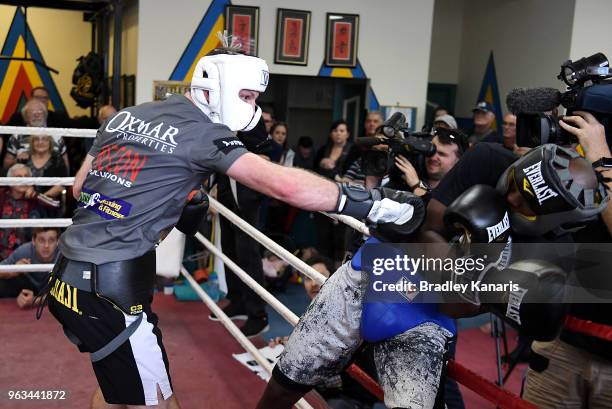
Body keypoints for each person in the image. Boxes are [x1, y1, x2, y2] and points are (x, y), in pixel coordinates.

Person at [41, 43, 419, 409]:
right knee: (157, 400)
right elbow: (281, 183)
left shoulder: (125, 115)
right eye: (248, 96)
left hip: (66, 278)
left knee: (118, 391)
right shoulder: (203, 134)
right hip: (108, 289)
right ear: (216, 86)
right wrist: (373, 204)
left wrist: (168, 198)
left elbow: (79, 187)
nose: (252, 108)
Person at [268, 255, 381, 409]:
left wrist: (298, 356)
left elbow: (332, 371)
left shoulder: (349, 314)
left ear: (334, 278)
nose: (313, 283)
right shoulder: (316, 311)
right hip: (331, 387)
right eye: (308, 278)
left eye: (319, 276)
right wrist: (289, 345)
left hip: (350, 394)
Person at [393, 127, 467, 196]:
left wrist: (417, 186)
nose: (433, 157)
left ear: (458, 161)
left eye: (441, 154)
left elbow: (434, 208)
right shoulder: (411, 167)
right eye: (431, 150)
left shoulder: (460, 192)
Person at [0, 227, 60, 308]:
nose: (46, 246)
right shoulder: (24, 251)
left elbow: (71, 290)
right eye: (41, 240)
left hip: (53, 290)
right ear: (33, 241)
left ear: (57, 242)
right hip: (29, 287)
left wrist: (35, 301)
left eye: (51, 240)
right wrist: (13, 271)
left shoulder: (64, 255)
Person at [3, 99, 70, 172]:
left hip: (51, 181)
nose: (36, 115)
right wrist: (17, 161)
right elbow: (6, 167)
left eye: (40, 111)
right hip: (24, 181)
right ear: (25, 117)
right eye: (32, 112)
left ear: (45, 115)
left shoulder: (56, 136)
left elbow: (66, 166)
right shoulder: (16, 136)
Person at [0, 164, 44, 260]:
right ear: (9, 181)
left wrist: (35, 195)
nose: (23, 180)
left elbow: (56, 205)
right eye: (18, 177)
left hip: (26, 255)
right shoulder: (2, 195)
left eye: (26, 177)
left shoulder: (34, 198)